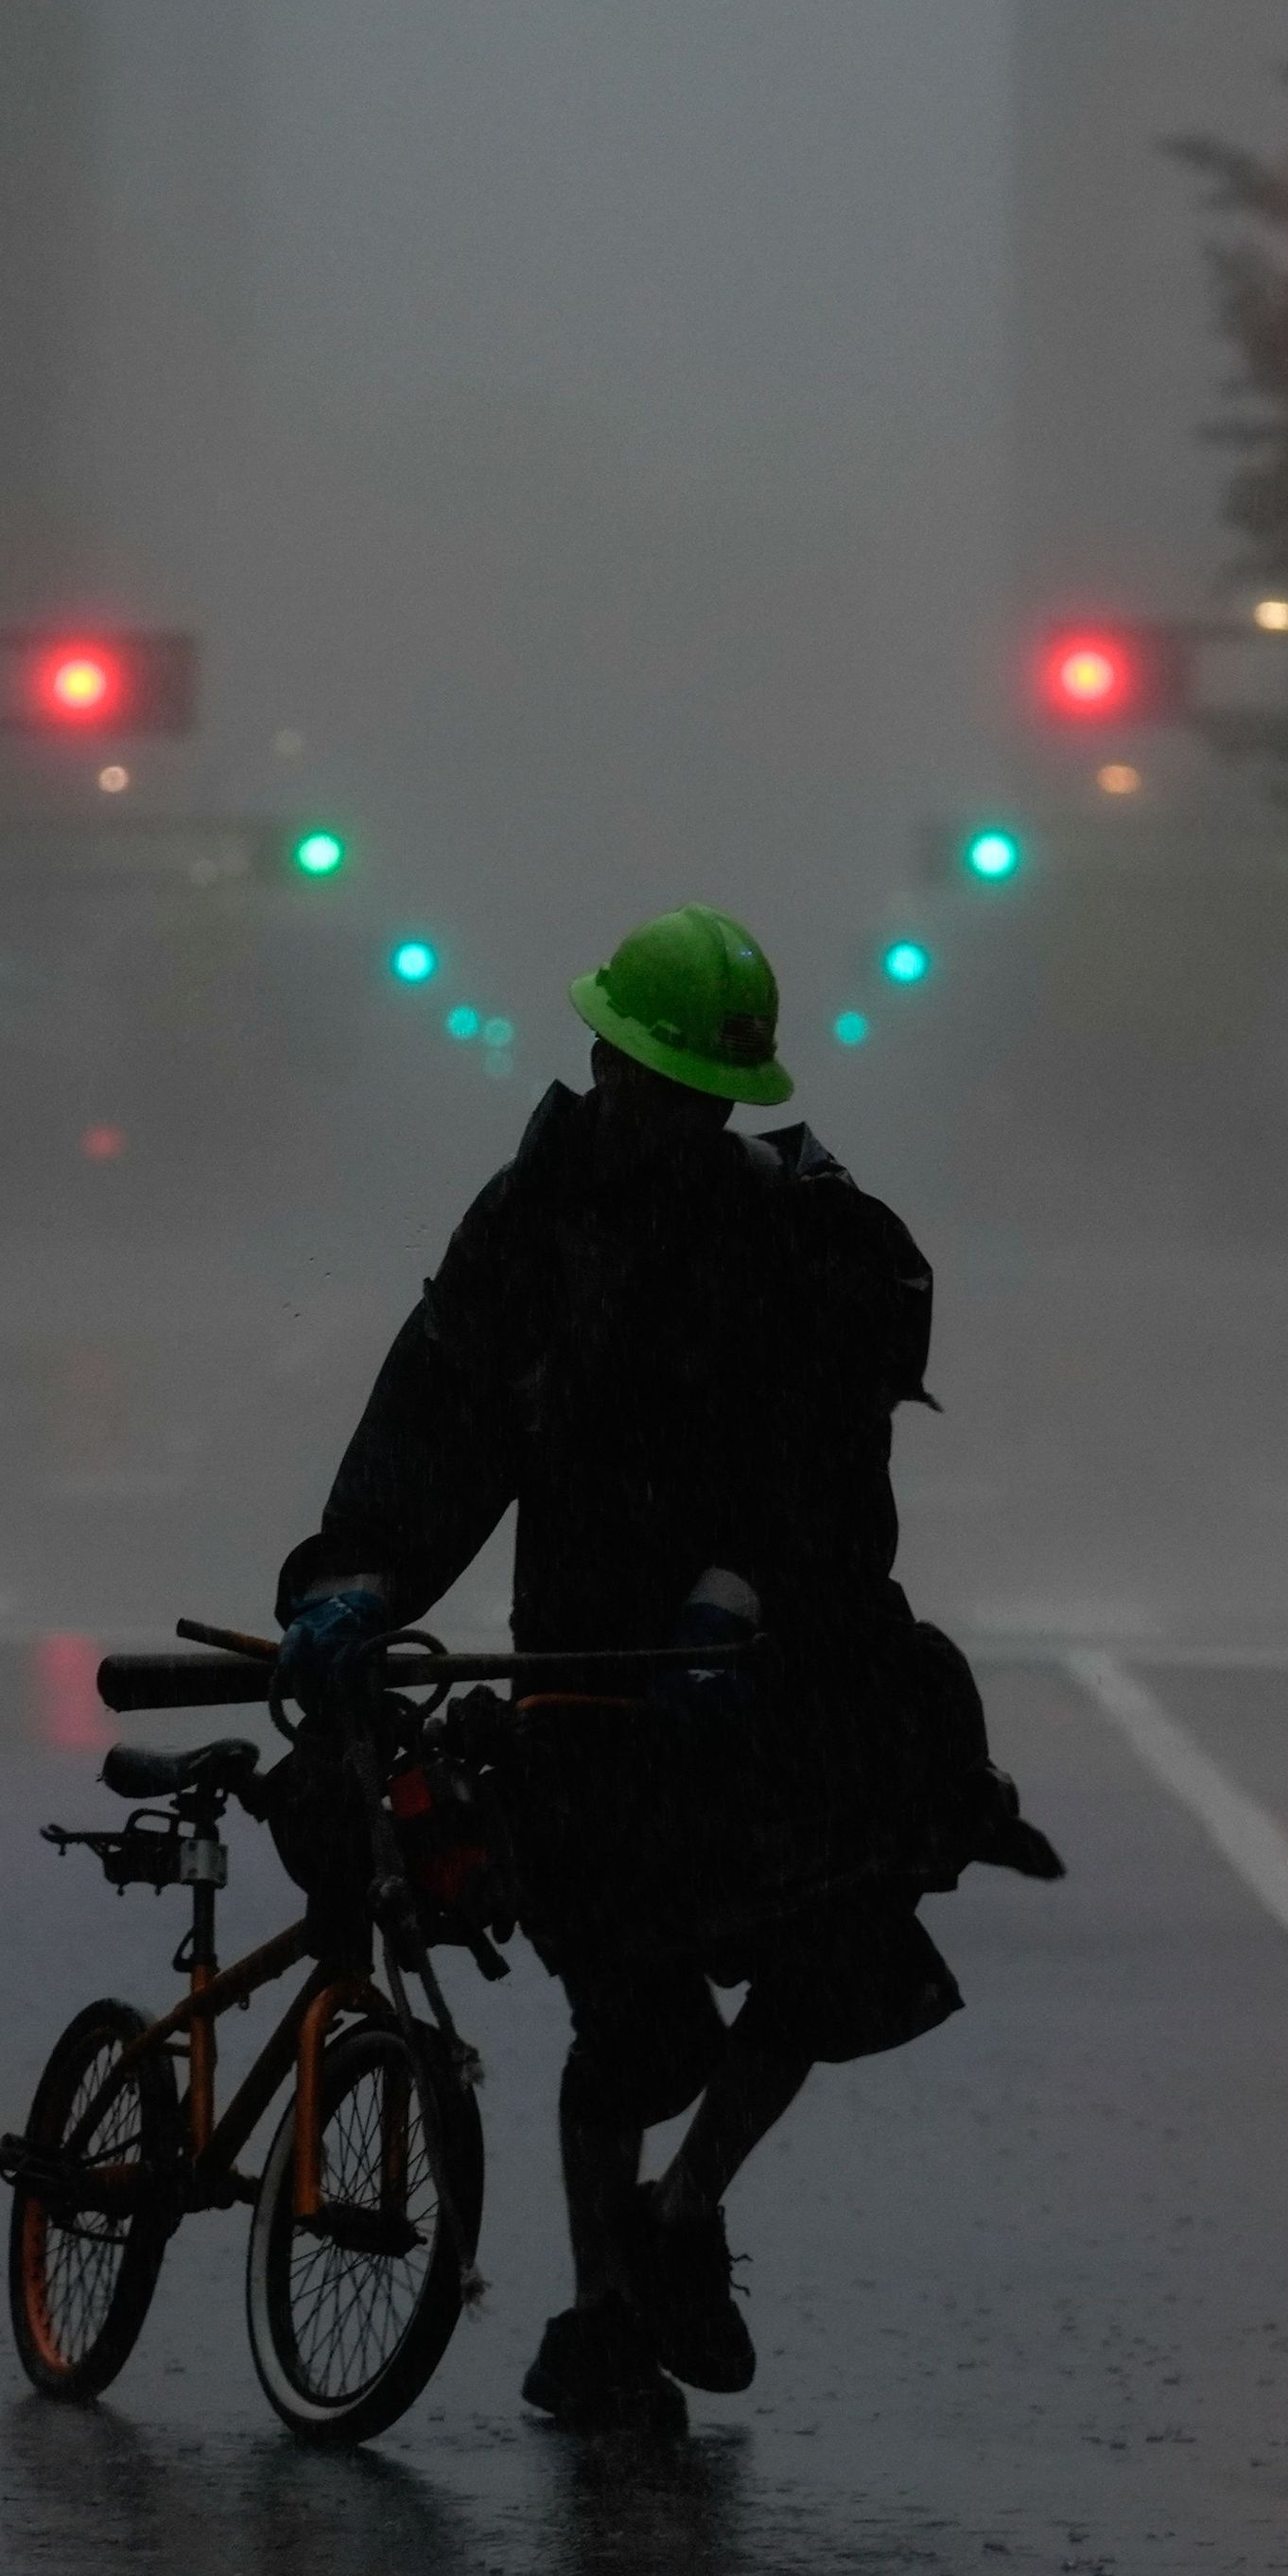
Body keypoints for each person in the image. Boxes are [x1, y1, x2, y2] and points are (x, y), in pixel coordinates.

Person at [271, 903, 1054, 2434]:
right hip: (582, 1676)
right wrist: (357, 1577)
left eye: (698, 1093)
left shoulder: (802, 1244)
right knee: (630, 2018)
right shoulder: (534, 1220)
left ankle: (686, 2209)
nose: (665, 1113)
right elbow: (445, 1411)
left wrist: (743, 1592)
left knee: (838, 1938)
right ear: (600, 1062)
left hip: (763, 1669)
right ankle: (597, 2318)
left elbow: (831, 1468)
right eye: (650, 1081)